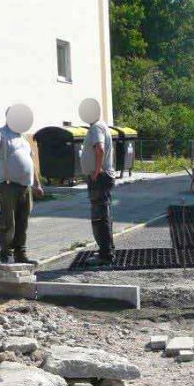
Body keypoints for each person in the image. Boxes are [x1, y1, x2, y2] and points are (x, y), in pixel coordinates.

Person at [0, 104, 43, 264]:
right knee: (7, 223)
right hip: (7, 187)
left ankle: (20, 254)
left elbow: (31, 162)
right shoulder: (1, 133)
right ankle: (6, 255)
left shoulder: (23, 139)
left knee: (23, 222)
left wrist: (37, 184)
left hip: (25, 187)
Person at [79, 98, 116, 266]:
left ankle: (105, 254)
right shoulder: (102, 126)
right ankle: (106, 250)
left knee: (99, 217)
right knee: (104, 214)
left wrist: (96, 171)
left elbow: (99, 148)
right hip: (102, 176)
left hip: (99, 178)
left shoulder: (95, 128)